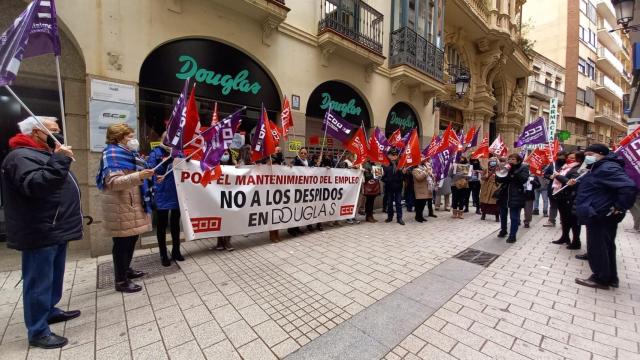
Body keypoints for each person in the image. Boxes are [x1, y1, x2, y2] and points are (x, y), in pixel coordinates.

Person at [2, 116, 82, 349]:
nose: (59, 134)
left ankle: (49, 310)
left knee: (53, 276)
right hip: (40, 229)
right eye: (54, 131)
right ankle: (38, 330)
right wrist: (59, 160)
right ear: (38, 132)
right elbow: (36, 185)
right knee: (38, 280)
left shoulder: (42, 153)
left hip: (55, 227)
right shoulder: (20, 156)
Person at [96, 123, 154, 293]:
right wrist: (139, 176)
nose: (133, 139)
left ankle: (126, 269)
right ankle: (121, 281)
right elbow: (113, 183)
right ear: (118, 137)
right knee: (122, 243)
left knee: (131, 240)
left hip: (132, 203)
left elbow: (138, 175)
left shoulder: (131, 154)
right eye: (129, 136)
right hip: (120, 205)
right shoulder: (112, 154)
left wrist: (148, 177)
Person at [574, 144, 637, 289]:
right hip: (599, 213)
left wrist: (619, 207)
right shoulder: (598, 166)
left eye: (590, 153)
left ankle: (600, 278)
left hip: (600, 214)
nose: (586, 157)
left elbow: (629, 187)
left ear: (600, 153)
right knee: (606, 246)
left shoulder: (607, 167)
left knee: (597, 247)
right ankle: (610, 277)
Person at [146, 133, 184, 267]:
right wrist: (168, 160)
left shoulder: (179, 152)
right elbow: (151, 169)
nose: (169, 141)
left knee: (175, 223)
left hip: (176, 191)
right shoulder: (156, 152)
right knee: (161, 224)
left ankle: (176, 250)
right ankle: (163, 253)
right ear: (162, 139)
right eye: (167, 138)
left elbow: (185, 167)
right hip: (161, 192)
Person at [550, 151, 585, 249]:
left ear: (579, 159)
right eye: (569, 157)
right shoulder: (565, 167)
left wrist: (558, 176)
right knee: (564, 219)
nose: (570, 159)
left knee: (573, 220)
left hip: (571, 197)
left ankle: (576, 241)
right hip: (561, 196)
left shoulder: (579, 169)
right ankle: (565, 237)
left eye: (573, 158)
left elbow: (571, 182)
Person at [496, 154, 529, 243]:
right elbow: (500, 179)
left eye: (513, 159)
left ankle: (512, 235)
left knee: (514, 217)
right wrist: (499, 173)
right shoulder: (506, 167)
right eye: (509, 159)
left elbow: (523, 179)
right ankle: (503, 230)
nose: (510, 160)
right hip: (504, 194)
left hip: (516, 194)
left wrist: (512, 172)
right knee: (502, 214)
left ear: (518, 161)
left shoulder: (524, 168)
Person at [215, 149, 237, 250]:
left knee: (229, 218)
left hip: (230, 196)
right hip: (217, 196)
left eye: (226, 152)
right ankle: (220, 241)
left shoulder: (233, 166)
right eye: (223, 152)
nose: (225, 154)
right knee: (219, 218)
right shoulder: (213, 164)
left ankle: (227, 241)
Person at [382, 148, 405, 225]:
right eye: (392, 155)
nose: (394, 157)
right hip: (389, 187)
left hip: (398, 187)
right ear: (388, 155)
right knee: (390, 203)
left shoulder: (400, 164)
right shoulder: (385, 164)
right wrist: (386, 180)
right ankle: (389, 217)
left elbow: (404, 177)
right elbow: (382, 177)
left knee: (398, 203)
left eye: (395, 155)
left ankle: (399, 218)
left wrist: (404, 173)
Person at [543, 152, 567, 227]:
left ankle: (563, 221)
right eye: (559, 156)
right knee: (553, 205)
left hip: (563, 188)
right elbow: (545, 174)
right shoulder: (552, 164)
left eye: (563, 157)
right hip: (553, 188)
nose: (561, 158)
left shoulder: (567, 165)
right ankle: (551, 220)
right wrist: (550, 176)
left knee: (563, 206)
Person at [412, 157, 436, 222]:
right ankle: (417, 217)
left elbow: (428, 176)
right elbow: (419, 178)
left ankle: (421, 216)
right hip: (419, 189)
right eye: (422, 160)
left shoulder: (424, 168)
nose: (424, 161)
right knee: (419, 204)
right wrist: (426, 172)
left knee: (423, 204)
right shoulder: (415, 170)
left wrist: (431, 175)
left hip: (426, 188)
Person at [479, 157, 501, 222]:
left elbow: (501, 179)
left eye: (494, 162)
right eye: (491, 161)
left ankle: (497, 217)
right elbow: (482, 178)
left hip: (495, 188)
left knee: (495, 202)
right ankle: (483, 214)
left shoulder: (499, 170)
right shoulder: (486, 169)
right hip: (486, 187)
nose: (492, 163)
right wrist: (486, 176)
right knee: (484, 202)